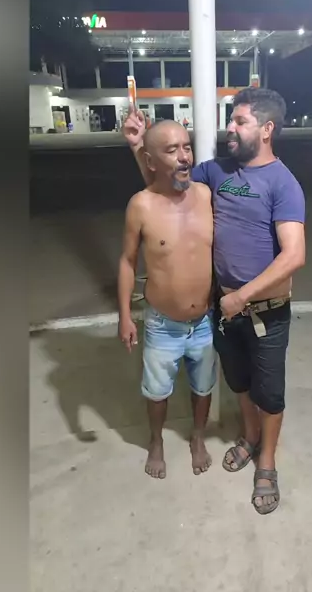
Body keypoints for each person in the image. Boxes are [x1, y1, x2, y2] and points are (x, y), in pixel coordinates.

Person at [124, 87, 306, 514]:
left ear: (266, 129)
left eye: (240, 122)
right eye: (231, 120)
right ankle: (249, 436)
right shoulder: (217, 171)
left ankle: (267, 462)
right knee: (239, 383)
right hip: (224, 311)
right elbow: (167, 187)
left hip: (265, 313)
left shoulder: (283, 183)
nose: (230, 128)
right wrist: (137, 147)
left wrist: (242, 296)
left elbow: (294, 256)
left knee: (269, 394)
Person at [118, 119, 215, 480]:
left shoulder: (205, 195)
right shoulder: (141, 206)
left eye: (186, 147)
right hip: (162, 324)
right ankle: (156, 440)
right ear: (151, 160)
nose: (184, 156)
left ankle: (198, 435)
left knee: (203, 386)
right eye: (172, 150)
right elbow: (127, 261)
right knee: (157, 392)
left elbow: (172, 181)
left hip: (204, 321)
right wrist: (125, 315)